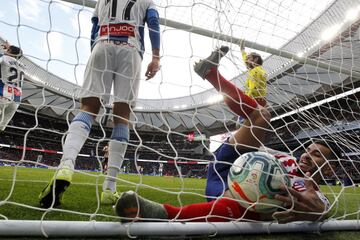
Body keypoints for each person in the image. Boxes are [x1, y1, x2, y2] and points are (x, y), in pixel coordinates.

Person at [114, 46, 341, 223]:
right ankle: (211, 73)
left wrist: (320, 213)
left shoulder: (309, 192)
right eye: (309, 150)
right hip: (229, 161)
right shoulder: (288, 159)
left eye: (318, 155)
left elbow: (324, 207)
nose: (307, 155)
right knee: (262, 115)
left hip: (230, 187)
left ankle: (164, 214)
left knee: (257, 207)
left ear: (330, 168)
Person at [39, 0, 161, 208]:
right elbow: (153, 22)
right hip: (131, 49)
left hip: (102, 44)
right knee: (122, 117)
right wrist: (156, 57)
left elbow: (94, 26)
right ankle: (109, 189)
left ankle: (66, 164)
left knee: (88, 108)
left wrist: (95, 50)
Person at [0, 41, 24, 131]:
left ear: (9, 51)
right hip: (16, 100)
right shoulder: (22, 66)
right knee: (1, 128)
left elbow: (5, 57)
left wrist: (4, 51)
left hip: (2, 95)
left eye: (8, 50)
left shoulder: (4, 57)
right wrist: (11, 48)